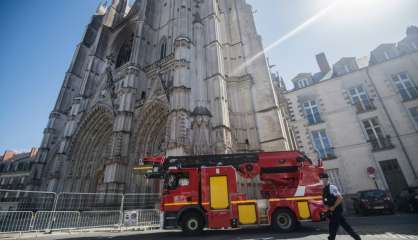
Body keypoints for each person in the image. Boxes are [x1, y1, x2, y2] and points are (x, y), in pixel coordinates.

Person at [320, 173, 361, 240]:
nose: (321, 181)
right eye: (320, 179)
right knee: (345, 226)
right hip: (332, 212)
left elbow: (340, 198)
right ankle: (357, 238)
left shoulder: (331, 187)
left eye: (322, 179)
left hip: (336, 211)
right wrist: (327, 207)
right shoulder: (324, 189)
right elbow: (327, 200)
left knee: (333, 227)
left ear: (326, 179)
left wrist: (333, 206)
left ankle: (331, 238)